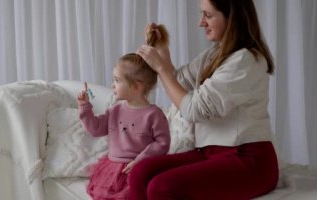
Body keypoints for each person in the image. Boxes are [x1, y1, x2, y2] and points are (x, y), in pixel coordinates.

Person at [131, 0, 279, 199]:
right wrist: (162, 53)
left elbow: (194, 110)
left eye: (208, 15)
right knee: (140, 172)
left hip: (248, 159)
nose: (201, 22)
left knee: (162, 187)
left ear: (232, 18)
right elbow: (179, 84)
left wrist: (161, 69)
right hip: (209, 152)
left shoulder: (245, 60)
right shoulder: (215, 54)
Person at [76, 25, 171, 200]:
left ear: (136, 86)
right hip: (112, 169)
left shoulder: (154, 115)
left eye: (117, 80)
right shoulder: (116, 110)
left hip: (138, 168)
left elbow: (162, 143)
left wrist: (141, 159)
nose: (112, 85)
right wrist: (85, 108)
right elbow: (95, 129)